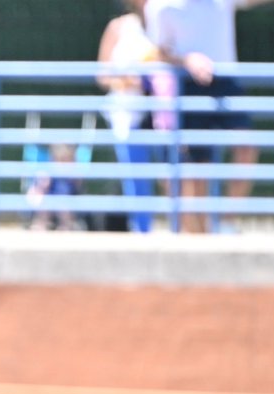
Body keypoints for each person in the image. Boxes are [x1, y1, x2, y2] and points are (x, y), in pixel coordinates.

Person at [145, 0, 274, 233]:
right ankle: (201, 237)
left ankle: (226, 221)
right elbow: (159, 52)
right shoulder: (161, 7)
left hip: (226, 81)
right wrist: (188, 60)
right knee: (197, 170)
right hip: (188, 81)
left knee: (246, 146)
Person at [97, 0, 159, 233]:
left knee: (172, 173)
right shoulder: (118, 27)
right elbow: (103, 75)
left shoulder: (164, 22)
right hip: (127, 113)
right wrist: (127, 80)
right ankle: (142, 229)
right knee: (135, 175)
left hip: (160, 111)